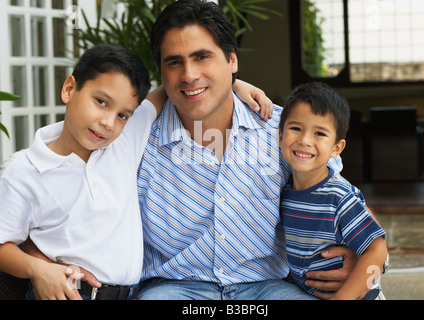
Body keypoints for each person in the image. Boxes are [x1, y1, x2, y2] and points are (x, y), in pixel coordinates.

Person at [0, 44, 270, 300]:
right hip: (67, 292)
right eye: (101, 102)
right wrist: (37, 270)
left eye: (123, 115)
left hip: (129, 293)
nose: (108, 122)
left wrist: (232, 83)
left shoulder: (124, 142)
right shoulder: (24, 171)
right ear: (70, 89)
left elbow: (173, 88)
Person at [136, 0, 361, 300]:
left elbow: (338, 194)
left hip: (269, 288)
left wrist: (366, 256)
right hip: (174, 288)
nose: (189, 74)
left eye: (202, 57)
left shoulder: (284, 132)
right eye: (174, 62)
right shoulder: (137, 143)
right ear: (162, 72)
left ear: (232, 60)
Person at [278, 82, 388, 300]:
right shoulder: (284, 191)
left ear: (336, 148)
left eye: (319, 133)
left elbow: (378, 249)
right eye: (296, 128)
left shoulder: (338, 196)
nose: (305, 140)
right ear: (280, 134)